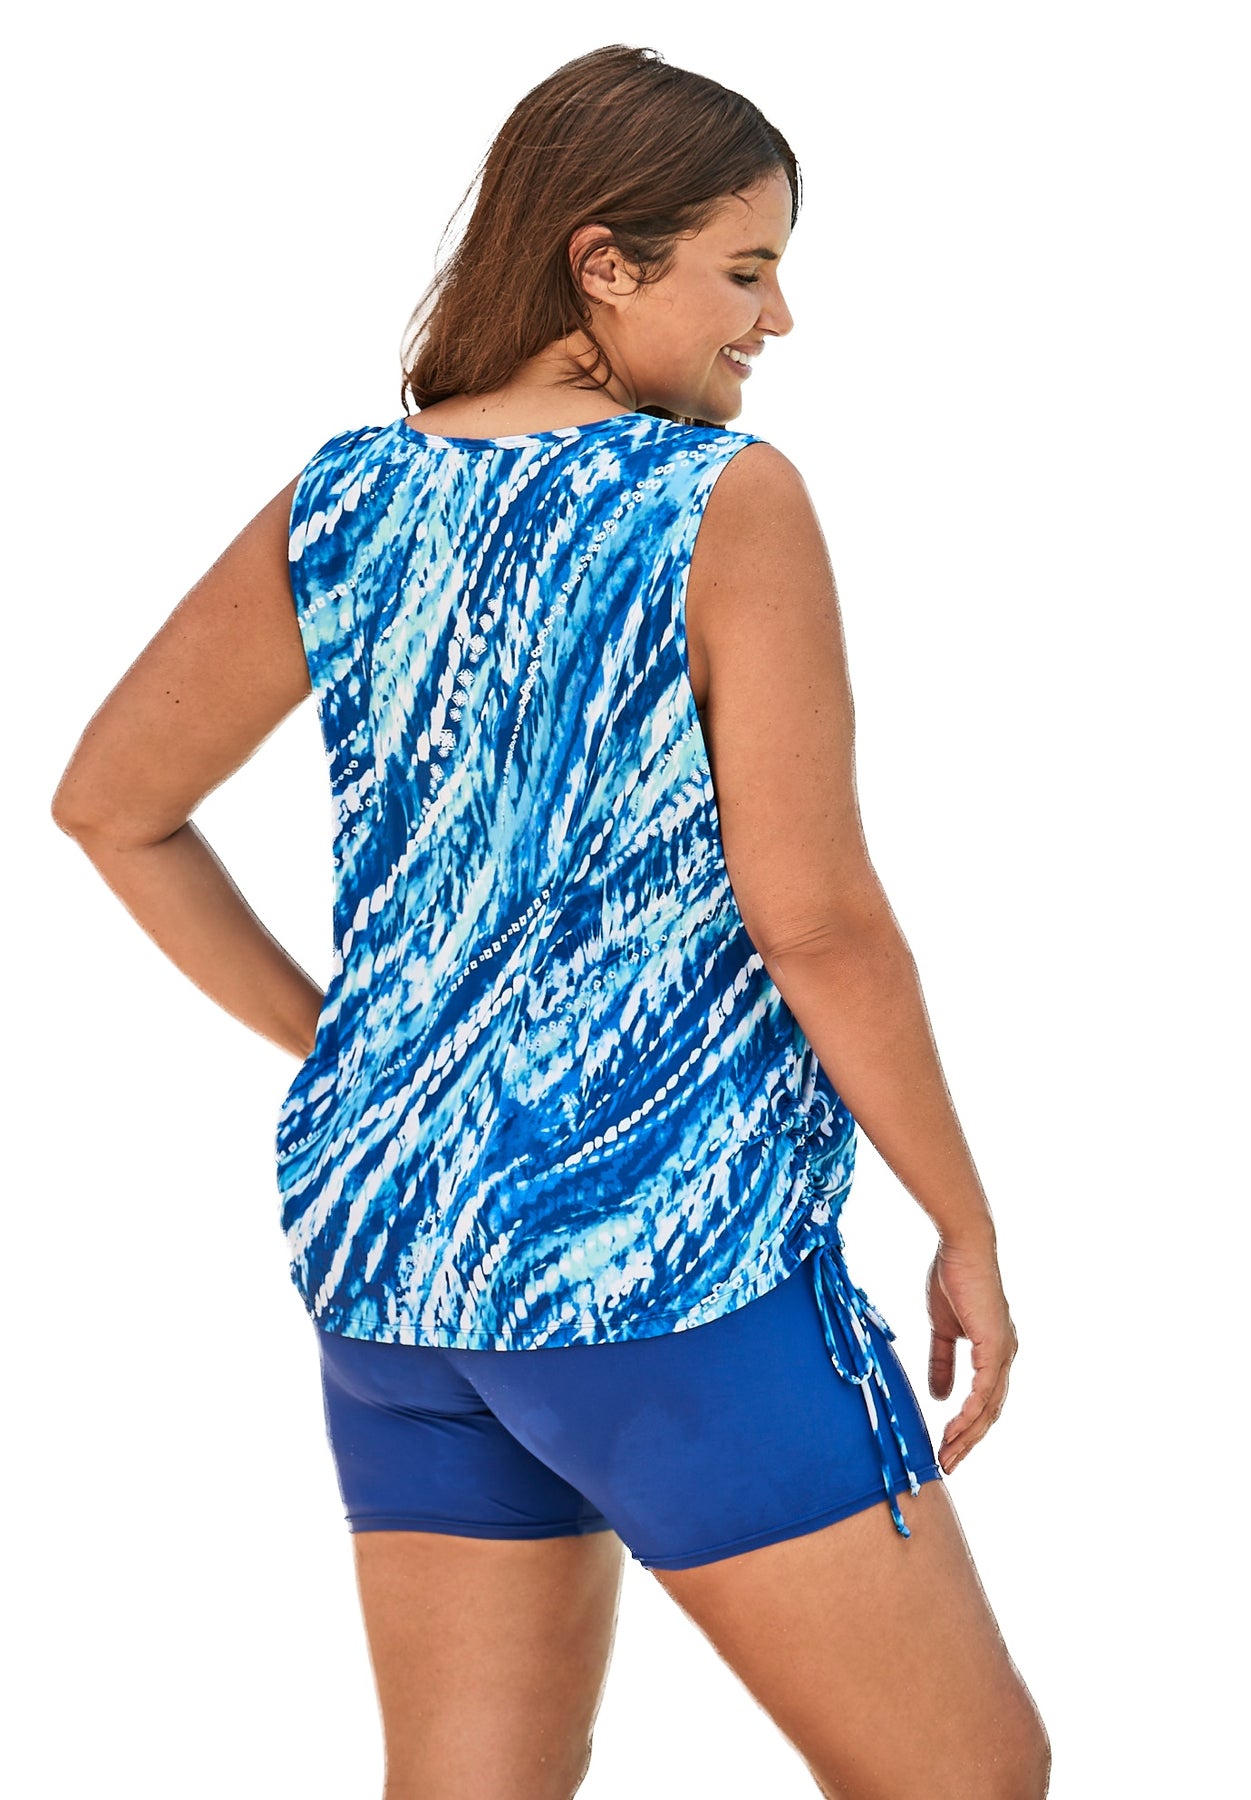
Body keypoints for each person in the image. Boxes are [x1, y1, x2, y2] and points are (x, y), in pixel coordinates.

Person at [50, 42, 1051, 1800]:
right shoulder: (718, 501)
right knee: (970, 1779)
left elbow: (110, 806)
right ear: (605, 262)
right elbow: (816, 920)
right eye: (745, 269)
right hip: (654, 1254)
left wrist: (362, 1050)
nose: (778, 318)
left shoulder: (348, 493)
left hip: (395, 1265)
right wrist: (962, 1218)